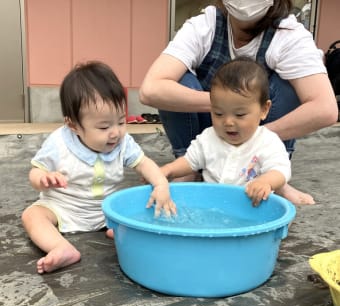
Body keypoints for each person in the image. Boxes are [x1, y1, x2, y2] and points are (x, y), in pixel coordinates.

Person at [139, 0, 338, 204]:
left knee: (293, 82)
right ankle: (189, 176)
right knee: (177, 81)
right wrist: (226, 105)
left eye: (239, 114)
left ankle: (272, 184)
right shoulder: (205, 25)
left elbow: (326, 109)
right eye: (221, 113)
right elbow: (151, 90)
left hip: (260, 130)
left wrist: (254, 140)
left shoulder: (288, 34)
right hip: (213, 126)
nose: (229, 122)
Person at [22, 61, 176, 274]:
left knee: (145, 200)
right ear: (73, 125)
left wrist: (160, 183)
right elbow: (35, 171)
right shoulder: (59, 142)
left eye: (121, 122)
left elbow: (144, 163)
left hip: (106, 210)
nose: (115, 133)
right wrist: (43, 178)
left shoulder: (123, 142)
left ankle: (121, 230)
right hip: (63, 207)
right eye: (104, 127)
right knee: (32, 216)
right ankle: (61, 247)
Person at [161, 57, 291, 207]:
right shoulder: (209, 137)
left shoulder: (267, 141)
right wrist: (168, 170)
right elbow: (189, 161)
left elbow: (280, 170)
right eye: (218, 114)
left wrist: (265, 182)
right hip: (212, 204)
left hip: (251, 206)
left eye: (240, 115)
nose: (228, 122)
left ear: (264, 109)